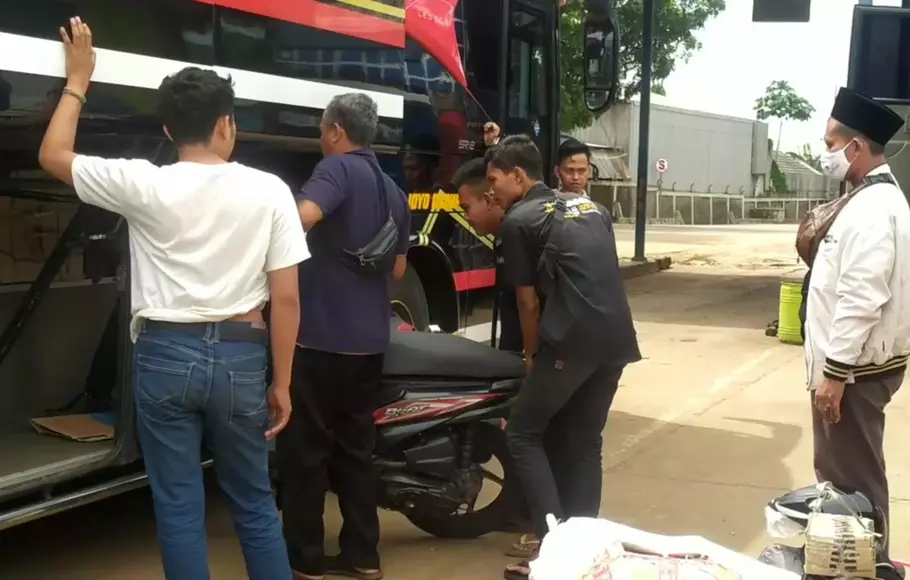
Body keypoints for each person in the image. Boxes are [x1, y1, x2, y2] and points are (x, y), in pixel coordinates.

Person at [38, 18, 307, 580]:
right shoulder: (270, 191)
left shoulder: (145, 183)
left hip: (163, 355)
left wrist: (79, 81)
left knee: (178, 507)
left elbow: (54, 154)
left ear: (168, 128)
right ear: (227, 125)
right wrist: (281, 382)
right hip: (240, 356)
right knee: (254, 502)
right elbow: (286, 300)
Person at [485, 135, 641, 580]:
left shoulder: (519, 220)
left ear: (519, 176)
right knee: (585, 440)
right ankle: (586, 550)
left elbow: (528, 304)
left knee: (522, 433)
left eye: (495, 180)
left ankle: (552, 551)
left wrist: (534, 355)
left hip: (572, 343)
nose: (491, 190)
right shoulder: (592, 209)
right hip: (616, 340)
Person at [278, 92, 411, 580]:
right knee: (356, 452)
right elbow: (397, 268)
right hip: (369, 343)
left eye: (321, 128)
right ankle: (362, 556)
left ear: (335, 130)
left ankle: (305, 561)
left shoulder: (334, 170)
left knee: (306, 454)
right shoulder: (393, 190)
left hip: (319, 340)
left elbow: (302, 217)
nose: (321, 136)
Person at [805, 86, 910, 556]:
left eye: (830, 144)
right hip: (856, 368)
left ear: (857, 146)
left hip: (853, 373)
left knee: (852, 485)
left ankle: (869, 565)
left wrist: (833, 374)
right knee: (847, 477)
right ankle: (857, 563)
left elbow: (860, 297)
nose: (825, 153)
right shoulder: (871, 200)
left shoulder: (872, 210)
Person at [482, 123, 593, 196]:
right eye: (569, 171)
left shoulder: (598, 212)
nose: (575, 177)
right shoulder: (545, 204)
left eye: (581, 171)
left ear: (589, 172)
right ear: (557, 172)